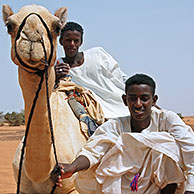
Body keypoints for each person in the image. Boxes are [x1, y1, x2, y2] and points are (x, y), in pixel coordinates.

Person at [53, 74, 194, 194]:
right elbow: (94, 151)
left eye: (144, 98)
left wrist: (190, 189)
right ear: (125, 100)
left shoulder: (167, 120)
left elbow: (190, 151)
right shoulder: (115, 125)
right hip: (123, 187)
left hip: (159, 188)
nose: (138, 104)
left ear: (154, 100)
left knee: (167, 145)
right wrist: (72, 167)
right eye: (133, 99)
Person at [55, 21, 129, 120]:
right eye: (68, 40)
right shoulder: (58, 66)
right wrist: (54, 77)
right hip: (94, 115)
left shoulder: (97, 54)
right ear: (61, 41)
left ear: (81, 42)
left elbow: (120, 77)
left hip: (122, 106)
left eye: (76, 41)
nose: (72, 44)